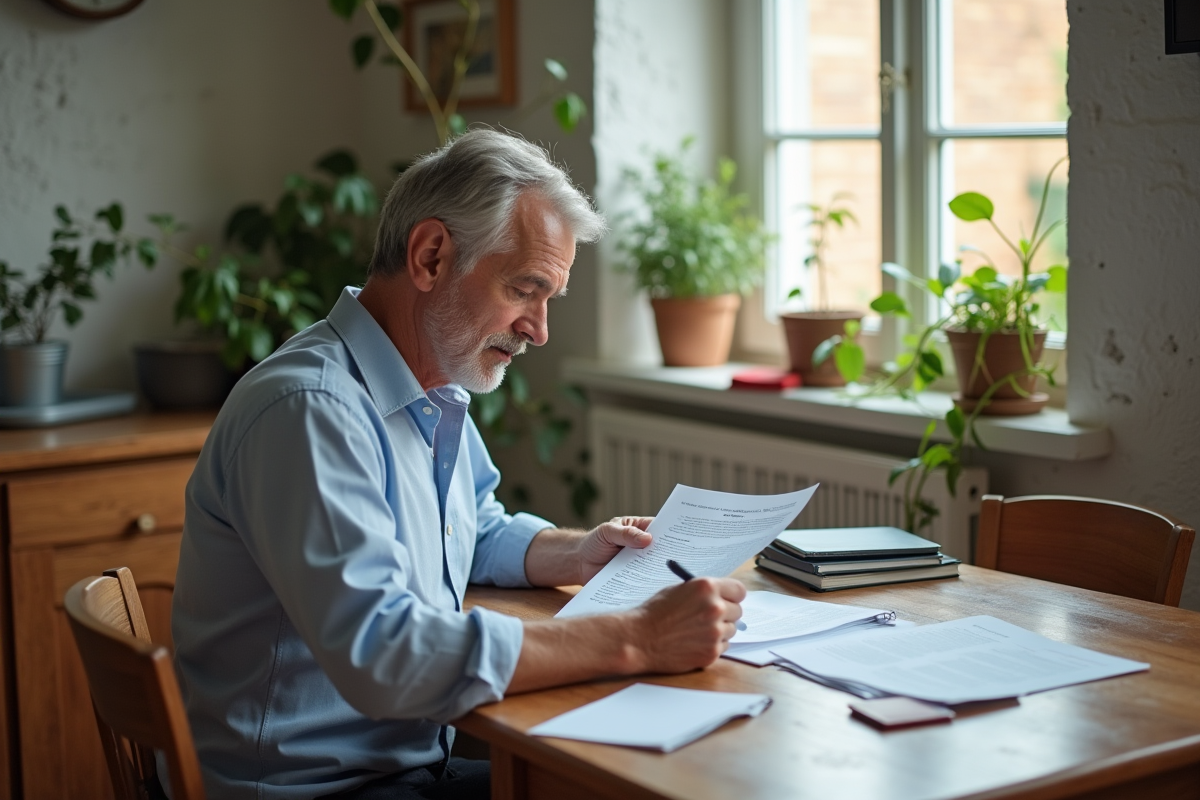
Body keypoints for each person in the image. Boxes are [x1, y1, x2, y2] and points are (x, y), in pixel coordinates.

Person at [169, 129, 746, 800]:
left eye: (548, 299)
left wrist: (576, 552)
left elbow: (469, 527)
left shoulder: (427, 387)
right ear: (432, 256)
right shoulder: (311, 409)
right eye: (525, 289)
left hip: (397, 767)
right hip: (314, 789)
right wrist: (636, 639)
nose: (538, 328)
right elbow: (383, 652)